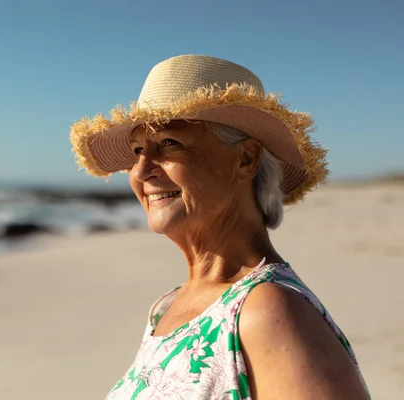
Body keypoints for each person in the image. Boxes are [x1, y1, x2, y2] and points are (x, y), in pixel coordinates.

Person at [69, 55, 369, 399]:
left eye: (169, 143)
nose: (141, 170)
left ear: (245, 159)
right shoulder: (166, 308)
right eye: (138, 149)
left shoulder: (268, 311)